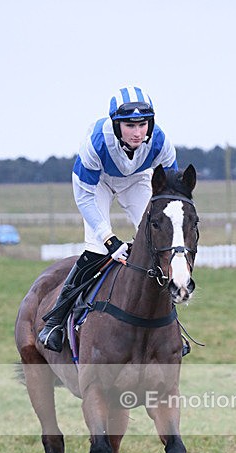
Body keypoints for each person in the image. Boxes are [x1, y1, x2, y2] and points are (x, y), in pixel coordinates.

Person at [38, 85, 178, 351]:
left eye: (143, 124)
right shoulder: (96, 143)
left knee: (156, 241)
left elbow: (170, 192)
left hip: (137, 179)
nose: (138, 132)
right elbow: (85, 198)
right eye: (129, 125)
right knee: (97, 248)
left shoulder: (161, 143)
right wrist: (110, 239)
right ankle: (55, 321)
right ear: (116, 125)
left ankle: (171, 327)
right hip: (97, 183)